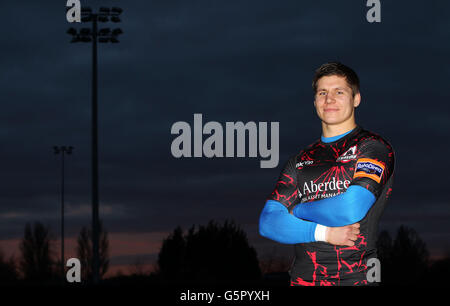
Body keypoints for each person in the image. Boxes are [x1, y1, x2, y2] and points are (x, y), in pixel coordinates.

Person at [259, 62, 395, 286]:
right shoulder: (300, 161)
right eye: (322, 93)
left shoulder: (373, 147)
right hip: (303, 280)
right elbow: (268, 222)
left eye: (339, 92)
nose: (329, 99)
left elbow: (351, 208)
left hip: (357, 279)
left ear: (356, 99)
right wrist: (323, 233)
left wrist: (297, 210)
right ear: (315, 102)